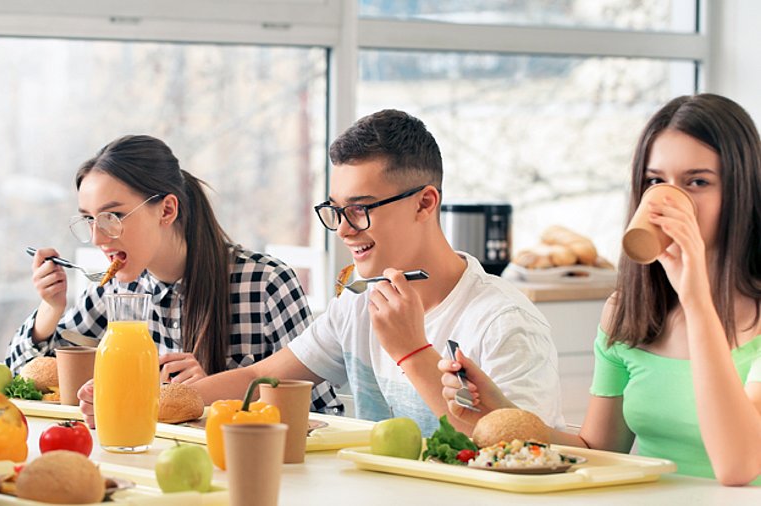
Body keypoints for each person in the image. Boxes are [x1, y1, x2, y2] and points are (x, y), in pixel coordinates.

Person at [136, 109, 565, 436]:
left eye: (360, 209)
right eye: (336, 210)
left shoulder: (504, 322)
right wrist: (144, 401)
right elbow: (256, 377)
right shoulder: (359, 303)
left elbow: (518, 455)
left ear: (425, 203)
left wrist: (412, 351)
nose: (342, 228)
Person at [439, 94, 761, 486]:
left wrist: (697, 302)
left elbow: (738, 466)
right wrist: (498, 413)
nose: (669, 201)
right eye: (655, 182)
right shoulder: (629, 314)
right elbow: (600, 451)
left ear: (742, 190)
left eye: (697, 182)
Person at [7, 135, 342, 425]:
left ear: (167, 210)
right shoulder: (116, 288)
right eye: (89, 220)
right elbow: (23, 378)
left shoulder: (266, 284)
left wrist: (210, 392)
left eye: (113, 216)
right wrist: (50, 309)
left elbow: (323, 412)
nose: (97, 237)